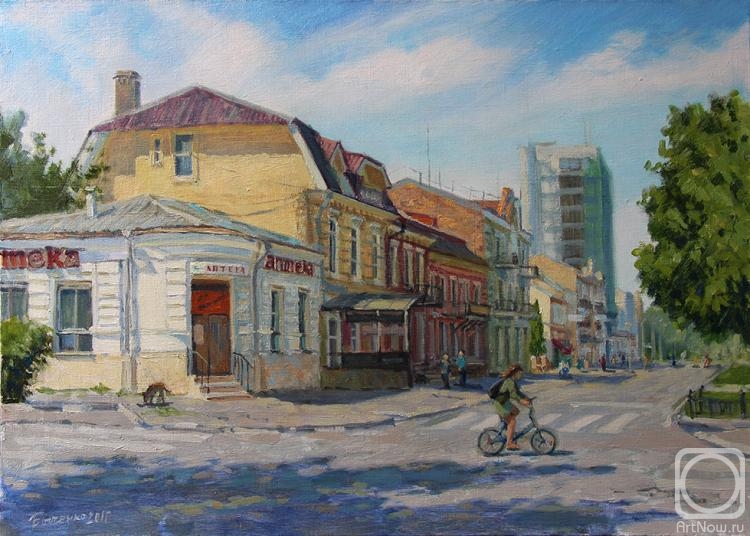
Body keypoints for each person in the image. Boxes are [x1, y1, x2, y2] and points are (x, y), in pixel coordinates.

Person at [492, 364, 532, 451]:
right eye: (519, 373)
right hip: (500, 403)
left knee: (516, 411)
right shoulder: (509, 381)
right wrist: (522, 402)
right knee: (512, 422)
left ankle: (508, 431)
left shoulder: (512, 381)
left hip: (504, 401)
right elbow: (514, 395)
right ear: (515, 373)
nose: (520, 375)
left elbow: (518, 392)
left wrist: (527, 398)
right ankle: (509, 443)